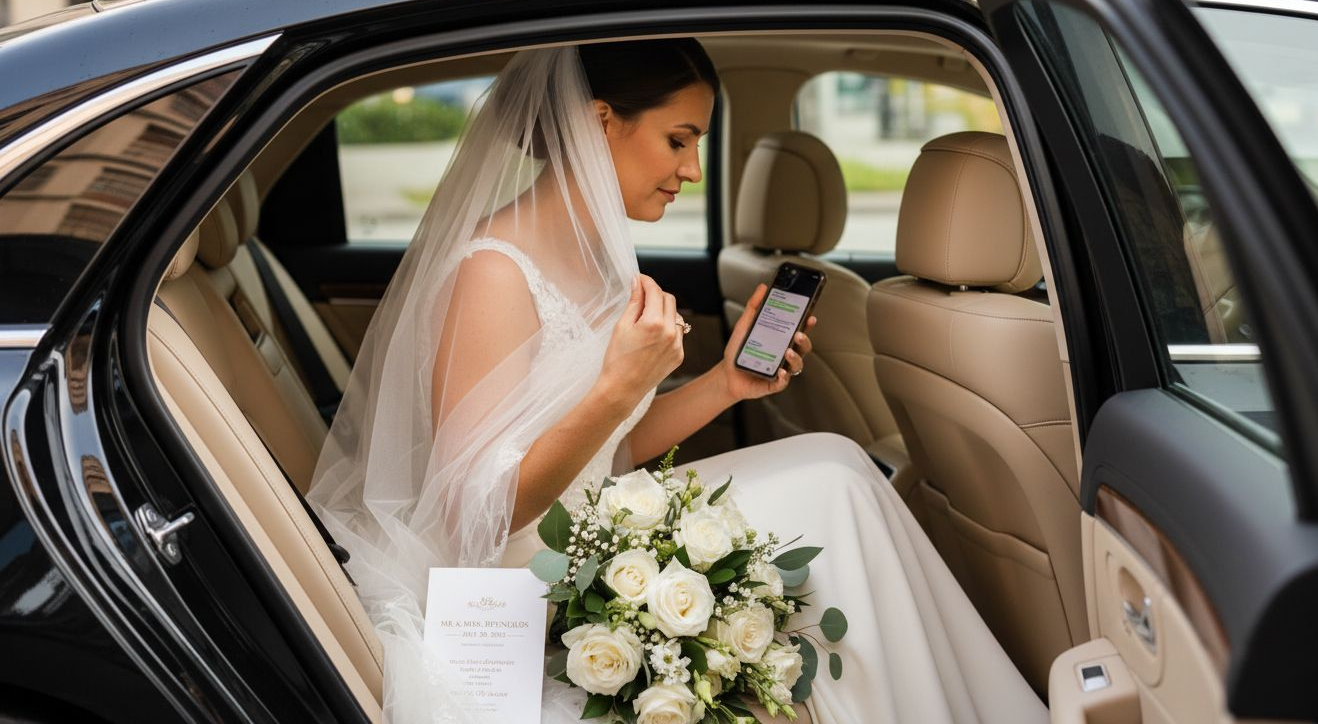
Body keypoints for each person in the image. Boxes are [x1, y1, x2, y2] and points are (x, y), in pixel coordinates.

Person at [306, 40, 1045, 724]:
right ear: (599, 123)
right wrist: (618, 390)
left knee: (838, 465)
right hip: (531, 584)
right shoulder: (491, 273)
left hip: (596, 529)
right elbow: (481, 515)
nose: (692, 170)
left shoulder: (601, 258)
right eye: (679, 139)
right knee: (835, 479)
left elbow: (609, 457)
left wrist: (725, 384)